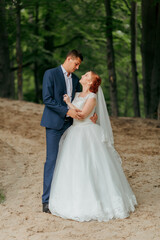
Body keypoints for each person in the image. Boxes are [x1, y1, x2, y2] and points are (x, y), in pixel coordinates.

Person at [48, 71, 137, 222]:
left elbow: (82, 115)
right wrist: (71, 102)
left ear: (90, 83)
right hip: (75, 133)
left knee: (92, 165)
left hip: (87, 133)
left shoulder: (92, 97)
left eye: (86, 75)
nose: (83, 75)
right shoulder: (77, 95)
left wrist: (68, 103)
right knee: (75, 166)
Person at [41, 50, 97, 213]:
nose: (77, 67)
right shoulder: (50, 74)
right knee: (52, 160)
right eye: (76, 63)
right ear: (68, 59)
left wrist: (92, 114)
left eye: (79, 65)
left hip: (72, 127)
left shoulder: (75, 80)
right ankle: (46, 201)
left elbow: (82, 100)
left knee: (69, 161)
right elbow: (47, 99)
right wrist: (66, 112)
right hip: (53, 124)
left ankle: (65, 197)